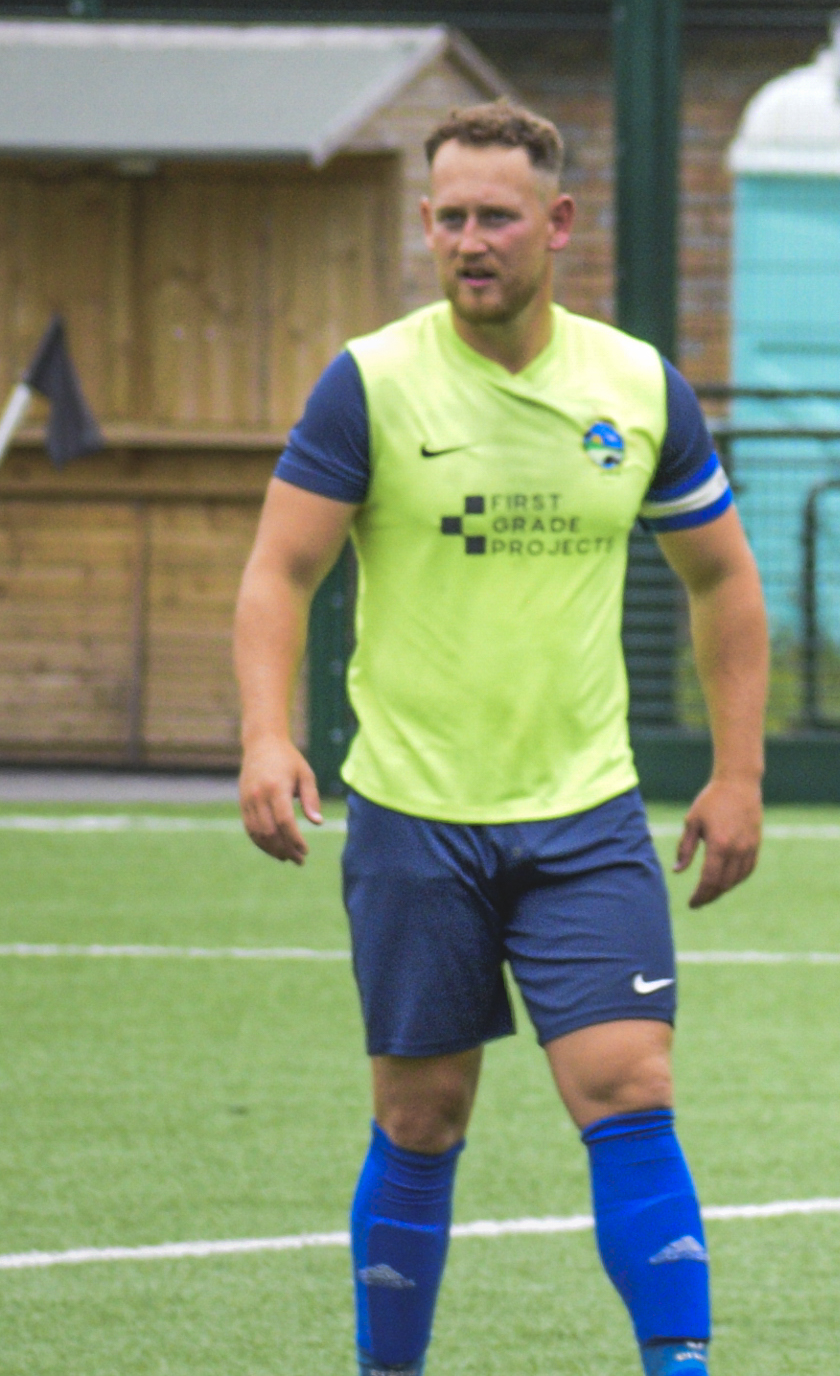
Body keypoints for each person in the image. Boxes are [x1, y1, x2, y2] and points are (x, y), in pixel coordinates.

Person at [232, 100, 768, 1376]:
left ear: (558, 222)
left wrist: (738, 772)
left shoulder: (636, 386)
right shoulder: (370, 382)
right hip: (412, 816)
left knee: (630, 1086)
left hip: (584, 814)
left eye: (498, 217)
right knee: (421, 1114)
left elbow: (724, 582)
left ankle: (680, 1366)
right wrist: (264, 735)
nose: (470, 240)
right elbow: (278, 573)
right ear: (426, 224)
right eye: (451, 217)